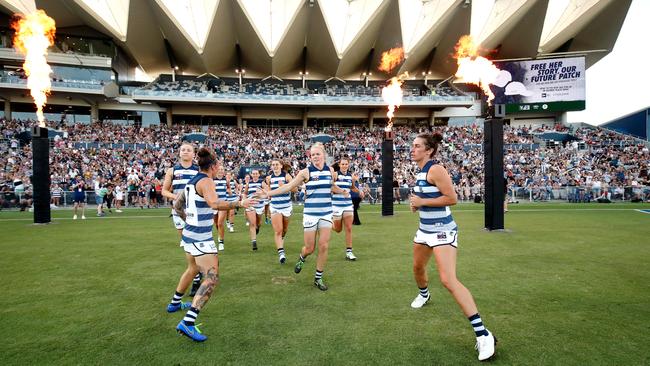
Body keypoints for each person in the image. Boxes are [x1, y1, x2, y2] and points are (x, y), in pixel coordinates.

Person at [408, 133, 496, 361]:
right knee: (417, 269)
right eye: (412, 146)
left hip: (442, 231)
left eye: (417, 146)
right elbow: (428, 196)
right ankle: (424, 295)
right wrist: (417, 204)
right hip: (424, 230)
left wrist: (422, 202)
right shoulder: (420, 169)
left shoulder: (435, 169)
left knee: (448, 280)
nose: (412, 149)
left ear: (429, 150)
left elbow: (452, 198)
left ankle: (483, 334)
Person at [173, 147, 254, 342]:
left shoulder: (192, 181)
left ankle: (174, 302)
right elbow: (215, 204)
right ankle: (188, 321)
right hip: (201, 238)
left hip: (190, 234)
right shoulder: (207, 180)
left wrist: (190, 221)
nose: (220, 169)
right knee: (211, 279)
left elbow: (177, 206)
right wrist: (239, 204)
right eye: (219, 166)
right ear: (214, 166)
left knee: (192, 268)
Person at [259, 142, 349, 291]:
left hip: (326, 213)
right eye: (312, 154)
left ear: (324, 155)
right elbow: (288, 187)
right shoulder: (305, 172)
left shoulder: (330, 171)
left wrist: (342, 191)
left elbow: (331, 186)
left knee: (324, 246)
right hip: (310, 214)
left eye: (317, 154)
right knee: (309, 248)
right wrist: (268, 193)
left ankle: (318, 278)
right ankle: (302, 257)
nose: (315, 157)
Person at [161, 142, 202, 302]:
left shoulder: (198, 170)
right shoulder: (172, 170)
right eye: (183, 150)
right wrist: (176, 197)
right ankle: (197, 274)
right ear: (179, 153)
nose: (185, 152)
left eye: (188, 150)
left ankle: (196, 276)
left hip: (195, 213)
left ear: (194, 154)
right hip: (179, 212)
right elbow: (164, 190)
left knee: (194, 245)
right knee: (187, 246)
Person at [266, 160, 296, 264]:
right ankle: (281, 253)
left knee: (284, 230)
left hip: (286, 207)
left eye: (277, 164)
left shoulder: (287, 176)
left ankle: (281, 239)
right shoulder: (269, 178)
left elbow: (295, 189)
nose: (275, 166)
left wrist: (285, 186)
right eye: (273, 165)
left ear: (281, 166)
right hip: (275, 207)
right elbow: (269, 191)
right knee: (278, 230)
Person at [331, 157, 359, 260]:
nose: (344, 166)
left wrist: (359, 191)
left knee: (349, 228)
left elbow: (351, 188)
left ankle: (349, 252)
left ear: (348, 165)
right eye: (342, 164)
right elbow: (331, 187)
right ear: (339, 165)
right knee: (338, 229)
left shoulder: (350, 176)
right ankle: (328, 223)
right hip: (336, 205)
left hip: (347, 204)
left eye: (346, 164)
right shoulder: (335, 175)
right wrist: (341, 191)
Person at [244, 170, 266, 251]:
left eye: (256, 174)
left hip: (260, 205)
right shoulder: (248, 183)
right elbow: (245, 193)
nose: (255, 175)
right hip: (251, 204)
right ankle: (254, 242)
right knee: (252, 223)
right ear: (251, 175)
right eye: (253, 174)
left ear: (259, 174)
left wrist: (261, 192)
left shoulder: (262, 182)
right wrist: (244, 198)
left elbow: (267, 191)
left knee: (259, 223)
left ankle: (257, 228)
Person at [213, 165, 228, 251]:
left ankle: (221, 242)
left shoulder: (226, 180)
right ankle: (220, 235)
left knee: (220, 223)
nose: (221, 171)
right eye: (219, 169)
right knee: (216, 224)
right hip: (214, 204)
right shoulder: (212, 180)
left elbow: (229, 190)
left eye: (222, 169)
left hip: (223, 203)